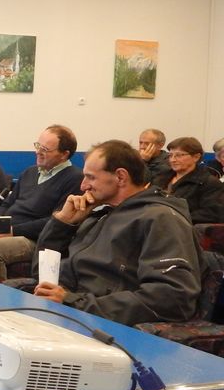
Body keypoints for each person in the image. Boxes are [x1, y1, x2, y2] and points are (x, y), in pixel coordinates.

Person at [32, 140, 201, 326]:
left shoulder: (161, 219)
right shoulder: (99, 214)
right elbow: (41, 275)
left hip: (102, 326)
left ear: (120, 177)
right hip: (71, 312)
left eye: (90, 178)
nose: (83, 186)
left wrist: (73, 302)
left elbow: (173, 298)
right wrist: (63, 224)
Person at [0, 125, 83, 282]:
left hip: (34, 239)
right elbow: (7, 203)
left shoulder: (75, 179)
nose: (38, 152)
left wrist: (13, 230)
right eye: (38, 146)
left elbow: (56, 222)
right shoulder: (30, 172)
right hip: (7, 229)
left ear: (64, 154)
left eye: (45, 149)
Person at [151, 136, 224, 224]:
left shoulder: (209, 183)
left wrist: (173, 217)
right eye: (170, 155)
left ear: (196, 157)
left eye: (178, 155)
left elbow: (211, 214)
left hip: (183, 227)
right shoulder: (162, 177)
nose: (173, 160)